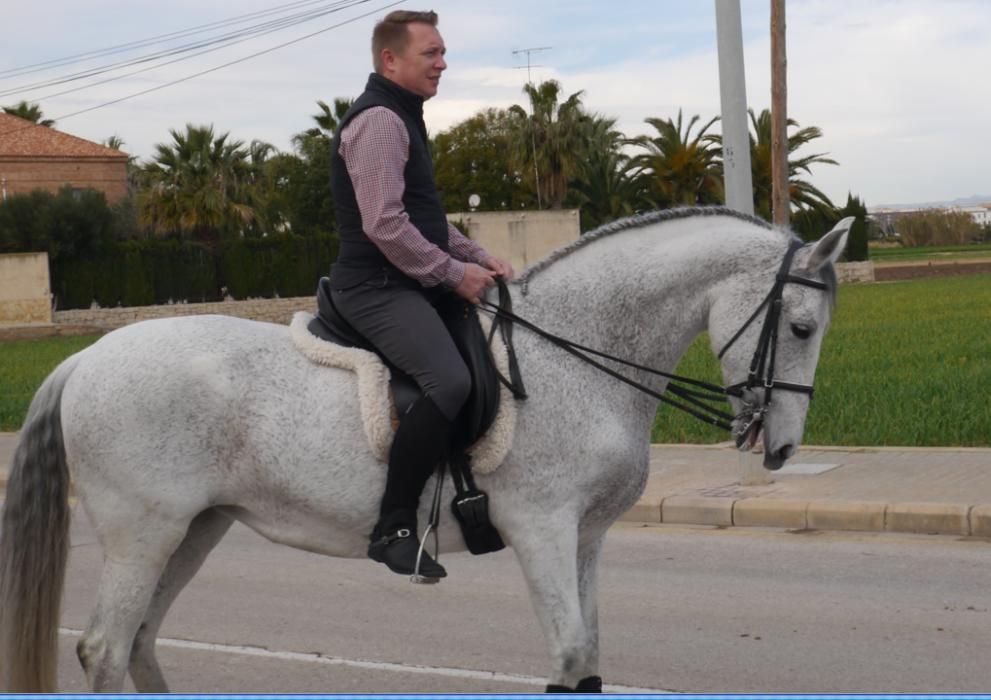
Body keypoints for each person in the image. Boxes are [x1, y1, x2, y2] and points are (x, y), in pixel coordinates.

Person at [327, 10, 514, 579]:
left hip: (409, 278)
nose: (443, 62)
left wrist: (477, 256)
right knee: (450, 380)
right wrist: (453, 274)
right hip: (376, 286)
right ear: (391, 59)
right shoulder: (381, 121)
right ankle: (395, 526)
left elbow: (424, 220)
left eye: (442, 51)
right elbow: (385, 225)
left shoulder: (405, 116)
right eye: (430, 53)